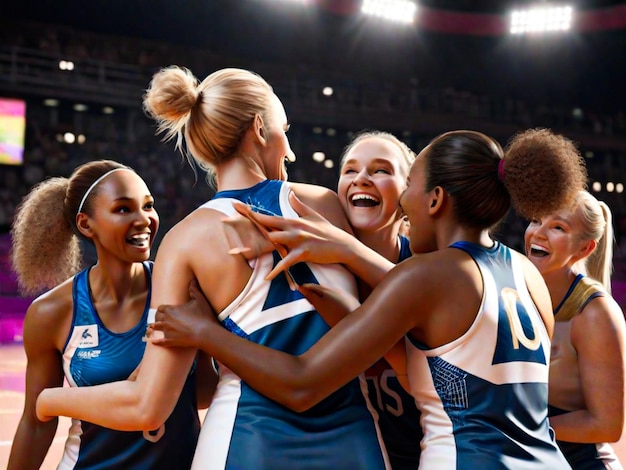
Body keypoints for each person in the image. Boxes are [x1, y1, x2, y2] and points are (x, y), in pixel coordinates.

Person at [148, 128, 589, 468]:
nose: (404, 199)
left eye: (409, 182)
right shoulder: (526, 273)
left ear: (434, 199)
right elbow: (452, 370)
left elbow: (302, 383)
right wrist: (346, 306)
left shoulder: (424, 277)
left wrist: (204, 331)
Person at [37, 67, 390, 469]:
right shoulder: (326, 204)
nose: (289, 150)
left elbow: (149, 407)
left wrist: (49, 401)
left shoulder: (184, 241)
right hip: (353, 442)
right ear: (260, 128)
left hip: (242, 443)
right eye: (284, 130)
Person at [7, 160, 201, 470]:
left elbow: (203, 392)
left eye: (148, 206)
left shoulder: (184, 292)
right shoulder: (52, 312)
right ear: (86, 225)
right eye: (124, 209)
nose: (144, 220)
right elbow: (36, 422)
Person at [525, 187, 626, 468]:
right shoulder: (514, 289)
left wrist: (521, 428)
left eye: (557, 226)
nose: (539, 233)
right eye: (535, 219)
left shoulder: (595, 313)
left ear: (585, 248)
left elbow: (606, 425)